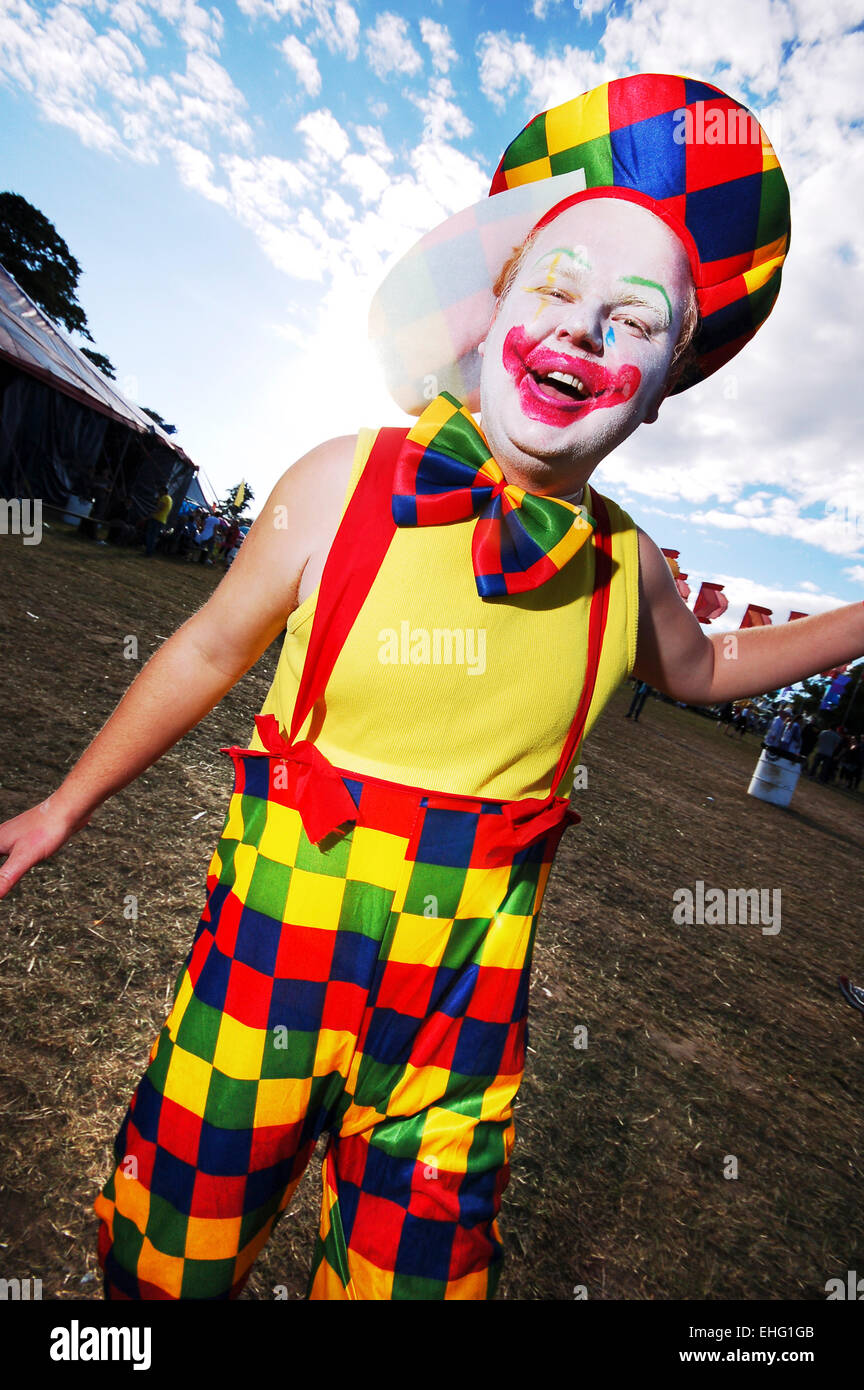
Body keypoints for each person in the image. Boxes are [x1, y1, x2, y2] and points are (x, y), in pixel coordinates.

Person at [1, 74, 862, 1303]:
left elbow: (717, 667)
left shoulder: (627, 568)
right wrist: (64, 806)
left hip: (461, 1021)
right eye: (555, 286)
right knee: (170, 1255)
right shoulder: (341, 479)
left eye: (636, 318)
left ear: (667, 382)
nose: (584, 328)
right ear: (491, 304)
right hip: (270, 971)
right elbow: (200, 649)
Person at [144, 489, 173, 557]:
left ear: (163, 491)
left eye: (160, 491)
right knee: (154, 537)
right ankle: (149, 552)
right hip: (162, 520)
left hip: (157, 519)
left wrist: (150, 515)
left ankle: (148, 552)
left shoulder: (164, 498)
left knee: (150, 536)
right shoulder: (170, 499)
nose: (159, 493)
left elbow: (160, 508)